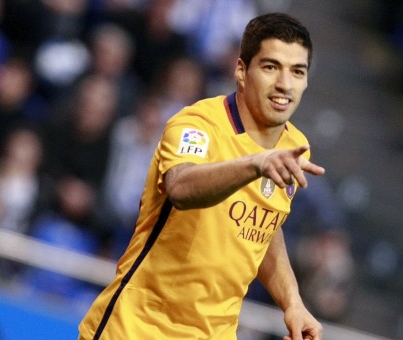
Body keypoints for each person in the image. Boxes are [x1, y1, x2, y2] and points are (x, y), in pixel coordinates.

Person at [78, 12, 325, 340]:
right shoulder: (196, 125)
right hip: (137, 327)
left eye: (297, 71)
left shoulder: (294, 148)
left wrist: (292, 302)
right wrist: (255, 164)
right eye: (270, 67)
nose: (285, 84)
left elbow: (264, 226)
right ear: (241, 70)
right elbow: (181, 188)